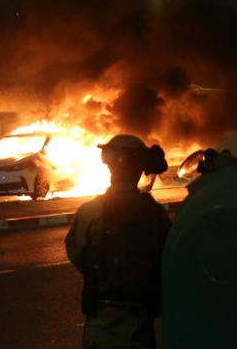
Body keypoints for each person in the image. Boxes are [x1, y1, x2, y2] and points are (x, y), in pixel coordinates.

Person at [66, 135, 172, 349]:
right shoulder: (157, 213)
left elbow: (78, 254)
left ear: (110, 166)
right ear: (140, 170)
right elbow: (168, 258)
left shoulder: (90, 211)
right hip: (141, 327)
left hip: (102, 326)